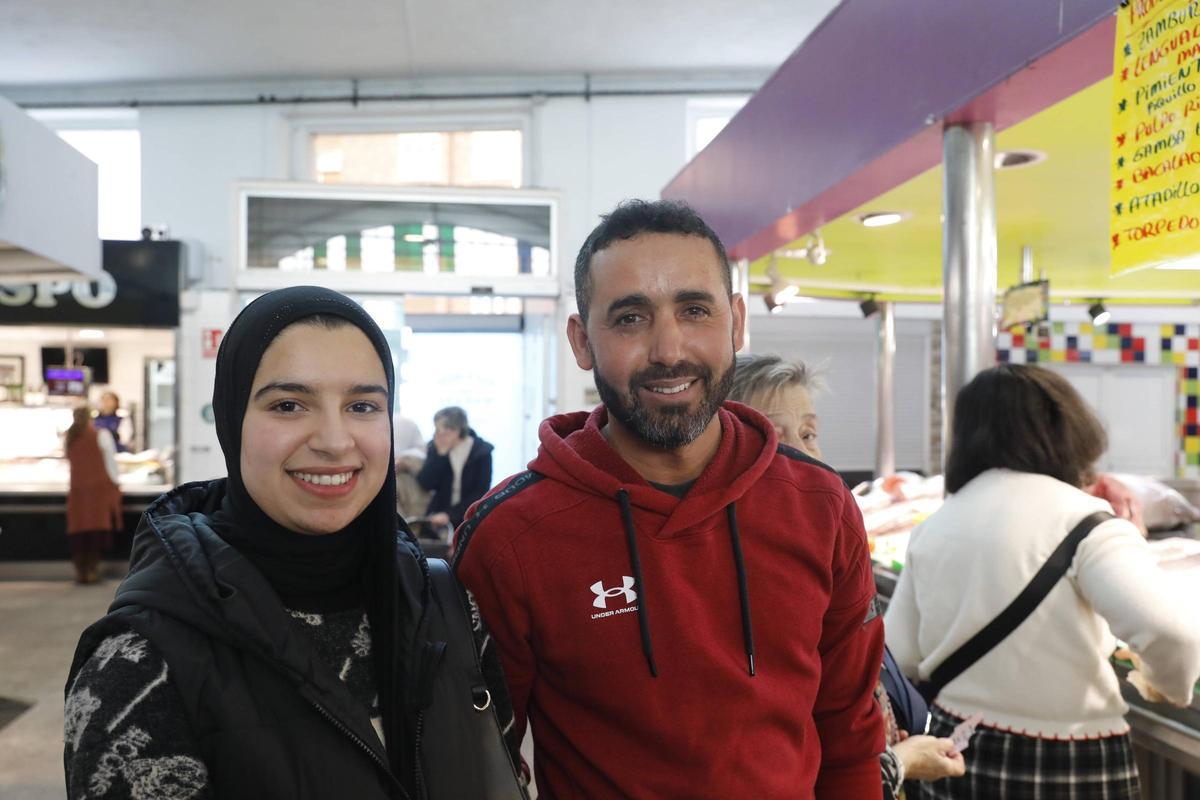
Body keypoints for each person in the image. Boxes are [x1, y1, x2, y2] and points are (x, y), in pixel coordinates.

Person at [454, 199, 885, 798]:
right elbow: (485, 766)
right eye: (630, 318)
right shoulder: (511, 537)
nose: (668, 349)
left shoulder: (821, 506)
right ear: (582, 342)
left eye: (694, 310)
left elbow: (851, 735)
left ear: (736, 322)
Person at [64, 287, 524, 800]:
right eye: (288, 404)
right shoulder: (140, 660)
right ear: (231, 419)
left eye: (363, 404)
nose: (334, 440)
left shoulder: (443, 602)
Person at [885, 364, 1200, 799]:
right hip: (1068, 757)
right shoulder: (1087, 521)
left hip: (953, 753)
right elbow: (1173, 633)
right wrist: (1170, 685)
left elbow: (900, 653)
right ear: (1067, 430)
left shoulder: (938, 524)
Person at [729, 353, 965, 798]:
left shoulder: (831, 552)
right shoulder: (736, 586)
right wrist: (905, 760)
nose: (802, 453)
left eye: (809, 434)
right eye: (771, 438)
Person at [64, 406, 123, 584]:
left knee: (80, 530)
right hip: (98, 490)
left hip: (77, 490)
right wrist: (116, 482)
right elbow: (110, 463)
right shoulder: (101, 435)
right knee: (95, 529)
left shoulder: (70, 437)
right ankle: (92, 570)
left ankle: (80, 570)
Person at [415, 406, 493, 531]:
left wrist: (450, 515)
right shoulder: (434, 446)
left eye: (447, 428)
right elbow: (426, 483)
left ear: (459, 429)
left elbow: (481, 492)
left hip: (470, 517)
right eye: (438, 428)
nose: (441, 433)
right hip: (438, 520)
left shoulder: (481, 451)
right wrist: (441, 455)